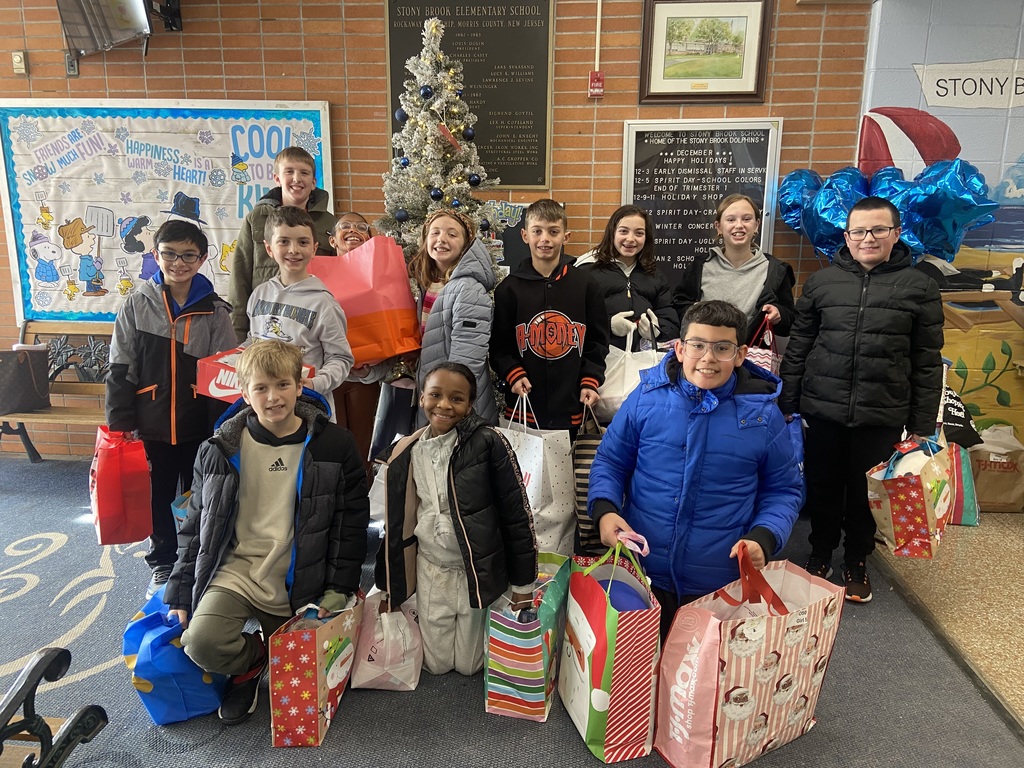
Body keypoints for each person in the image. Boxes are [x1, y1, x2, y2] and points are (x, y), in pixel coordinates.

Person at [163, 340, 369, 725]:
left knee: (315, 671)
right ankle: (254, 660)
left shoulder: (335, 444)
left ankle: (277, 651)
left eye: (282, 385)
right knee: (201, 642)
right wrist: (180, 591)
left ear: (300, 384)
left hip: (301, 578)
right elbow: (194, 527)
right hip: (236, 571)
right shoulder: (218, 449)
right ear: (243, 392)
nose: (273, 398)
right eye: (260, 388)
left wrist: (339, 587)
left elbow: (350, 522)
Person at [588, 300, 803, 638]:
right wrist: (604, 509)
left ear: (742, 353)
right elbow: (611, 461)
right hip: (643, 567)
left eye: (722, 348)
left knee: (700, 679)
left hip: (719, 577)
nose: (707, 358)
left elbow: (783, 489)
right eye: (697, 346)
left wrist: (764, 535)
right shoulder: (646, 398)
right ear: (678, 348)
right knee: (637, 670)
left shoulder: (762, 416)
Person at [779, 196, 944, 603]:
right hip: (823, 407)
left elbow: (926, 362)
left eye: (878, 230)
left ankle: (857, 561)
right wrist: (789, 400)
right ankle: (819, 555)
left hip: (883, 411)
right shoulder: (823, 282)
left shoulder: (920, 286)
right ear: (847, 236)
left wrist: (922, 425)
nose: (867, 238)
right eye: (858, 231)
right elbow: (799, 345)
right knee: (823, 486)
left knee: (866, 492)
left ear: (896, 233)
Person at [374, 361, 537, 675]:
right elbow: (392, 525)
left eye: (457, 398)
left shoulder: (489, 444)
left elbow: (517, 516)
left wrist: (523, 584)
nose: (444, 405)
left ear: (470, 404)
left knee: (468, 665)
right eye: (435, 395)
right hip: (431, 566)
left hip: (473, 570)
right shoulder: (405, 452)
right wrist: (387, 586)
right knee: (436, 665)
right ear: (421, 398)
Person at [106, 220, 236, 598]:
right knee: (159, 495)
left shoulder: (215, 311)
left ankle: (198, 560)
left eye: (188, 255)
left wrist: (224, 427)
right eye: (169, 254)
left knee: (202, 495)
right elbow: (120, 365)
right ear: (156, 254)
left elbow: (225, 372)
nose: (178, 262)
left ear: (202, 258)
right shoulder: (136, 303)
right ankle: (163, 563)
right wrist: (121, 419)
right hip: (151, 423)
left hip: (200, 423)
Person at [371, 209, 497, 455]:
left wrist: (448, 401)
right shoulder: (428, 284)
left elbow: (468, 357)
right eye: (435, 233)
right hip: (435, 396)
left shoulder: (468, 289)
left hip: (454, 404)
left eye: (452, 234)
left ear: (465, 245)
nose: (442, 239)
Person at [490, 198, 610, 434]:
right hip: (524, 406)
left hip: (571, 405)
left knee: (568, 470)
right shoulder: (509, 289)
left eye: (553, 232)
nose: (545, 239)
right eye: (537, 231)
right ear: (525, 236)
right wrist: (513, 375)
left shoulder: (586, 285)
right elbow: (499, 346)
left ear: (566, 237)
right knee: (521, 471)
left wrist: (590, 380)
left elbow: (597, 341)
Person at [245, 206, 354, 420]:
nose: (293, 250)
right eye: (284, 241)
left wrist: (314, 384)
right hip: (263, 411)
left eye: (302, 242)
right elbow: (251, 343)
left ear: (314, 249)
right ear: (269, 248)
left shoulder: (324, 304)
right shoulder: (259, 295)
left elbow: (341, 358)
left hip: (309, 412)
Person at [228, 146, 336, 341]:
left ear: (313, 182)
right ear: (277, 179)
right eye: (289, 171)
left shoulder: (330, 224)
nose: (297, 178)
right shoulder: (256, 219)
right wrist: (237, 335)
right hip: (265, 321)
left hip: (310, 326)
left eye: (304, 173)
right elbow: (240, 276)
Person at [672, 194, 796, 345]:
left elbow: (789, 320)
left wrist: (779, 314)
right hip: (704, 354)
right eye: (731, 220)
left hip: (749, 356)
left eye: (746, 219)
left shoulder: (775, 271)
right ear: (718, 227)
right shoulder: (700, 266)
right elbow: (679, 305)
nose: (739, 225)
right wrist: (691, 312)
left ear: (756, 225)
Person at [576, 204, 678, 350]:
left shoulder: (656, 276)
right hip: (598, 361)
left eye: (639, 233)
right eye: (623, 231)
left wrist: (657, 330)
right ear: (612, 233)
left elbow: (672, 323)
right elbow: (571, 321)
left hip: (642, 362)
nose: (630, 239)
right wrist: (608, 325)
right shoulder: (587, 271)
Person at [327, 212, 383, 475]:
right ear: (332, 241)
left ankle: (362, 508)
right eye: (345, 226)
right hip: (327, 378)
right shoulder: (316, 278)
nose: (354, 230)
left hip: (365, 377)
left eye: (362, 227)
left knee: (363, 451)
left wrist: (373, 368)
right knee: (330, 446)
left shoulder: (382, 280)